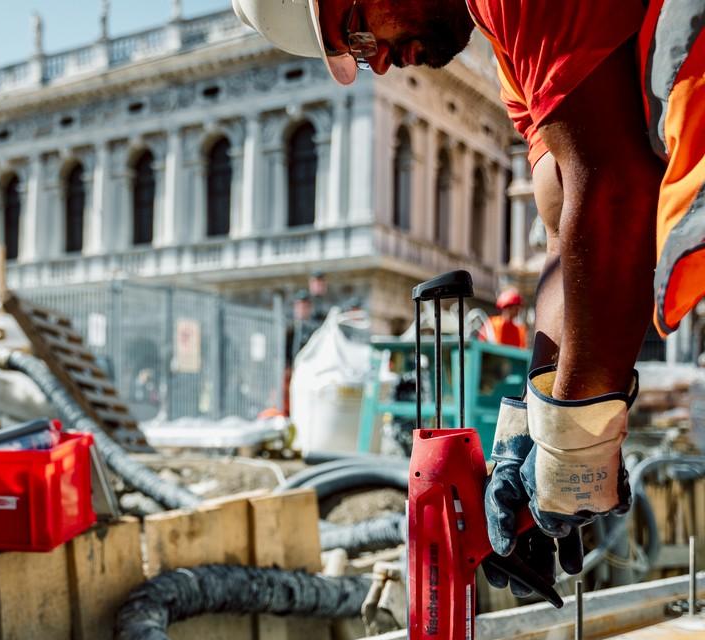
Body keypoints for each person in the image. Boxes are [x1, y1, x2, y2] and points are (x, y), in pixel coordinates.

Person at [233, 0, 704, 595]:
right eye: (356, 53)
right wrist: (537, 424)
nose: (379, 63)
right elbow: (564, 216)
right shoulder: (510, 52)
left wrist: (576, 444)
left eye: (357, 36)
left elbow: (611, 190)